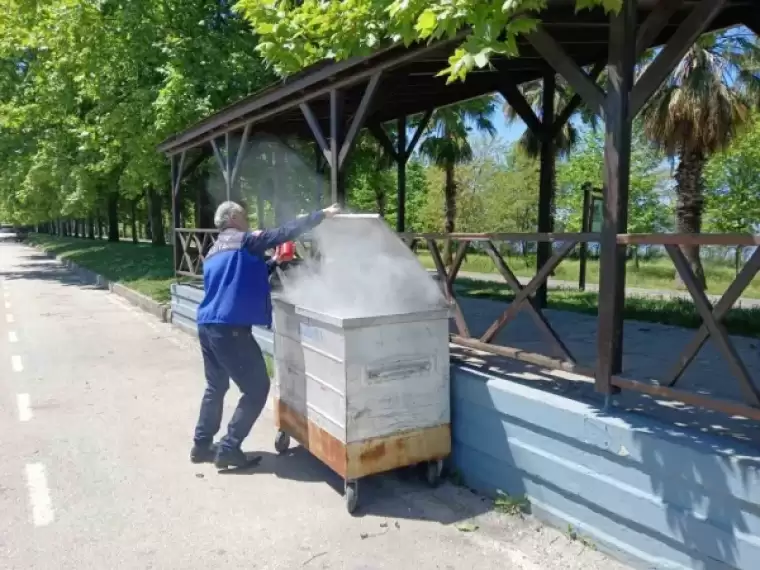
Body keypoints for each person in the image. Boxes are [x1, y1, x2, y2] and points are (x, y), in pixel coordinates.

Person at [191, 200, 340, 468]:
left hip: (206, 325)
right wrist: (322, 215)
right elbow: (282, 232)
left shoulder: (215, 250)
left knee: (216, 386)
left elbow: (239, 278)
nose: (247, 220)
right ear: (234, 217)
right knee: (257, 388)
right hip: (230, 330)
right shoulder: (244, 240)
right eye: (244, 215)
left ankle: (201, 446)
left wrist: (273, 262)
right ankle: (229, 447)